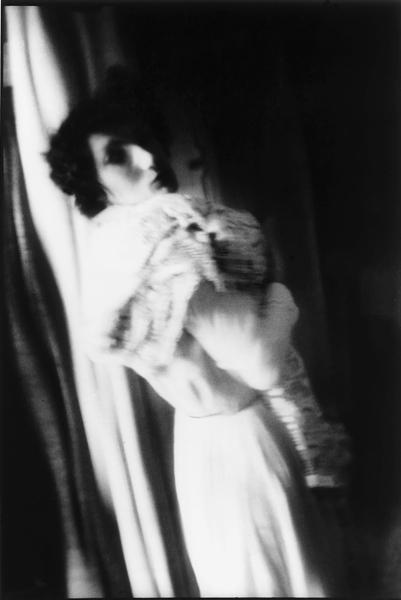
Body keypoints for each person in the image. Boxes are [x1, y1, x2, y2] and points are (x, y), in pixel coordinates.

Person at [45, 67, 347, 596]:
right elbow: (261, 363)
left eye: (145, 139)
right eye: (117, 155)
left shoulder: (113, 257)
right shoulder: (162, 246)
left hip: (202, 441)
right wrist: (282, 293)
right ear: (94, 184)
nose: (147, 158)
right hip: (244, 443)